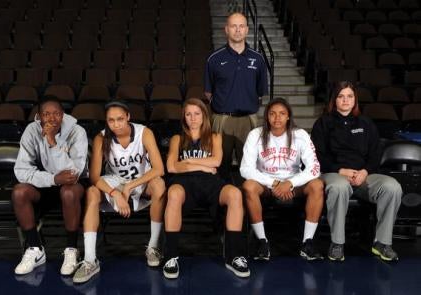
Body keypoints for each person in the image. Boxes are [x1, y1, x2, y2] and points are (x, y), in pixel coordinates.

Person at [73, 100, 165, 284]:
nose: (116, 124)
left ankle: (153, 247)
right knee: (91, 192)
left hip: (140, 180)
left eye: (120, 119)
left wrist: (130, 187)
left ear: (128, 117)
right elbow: (95, 178)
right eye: (111, 120)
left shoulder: (144, 133)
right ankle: (90, 260)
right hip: (114, 181)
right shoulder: (101, 138)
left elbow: (159, 169)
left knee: (160, 185)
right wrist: (115, 193)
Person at [311, 81, 402, 262]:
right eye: (341, 96)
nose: (345, 100)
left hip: (363, 175)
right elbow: (318, 156)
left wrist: (365, 172)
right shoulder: (323, 123)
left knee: (393, 187)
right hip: (334, 173)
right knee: (339, 187)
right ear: (334, 99)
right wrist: (341, 170)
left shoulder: (366, 123)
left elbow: (376, 153)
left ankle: (382, 243)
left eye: (350, 96)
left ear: (355, 100)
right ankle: (337, 243)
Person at [163, 98, 250, 279]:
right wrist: (202, 166)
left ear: (204, 116)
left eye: (197, 114)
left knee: (234, 194)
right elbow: (171, 167)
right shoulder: (177, 139)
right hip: (184, 183)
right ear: (183, 117)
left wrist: (186, 161)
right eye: (188, 114)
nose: (193, 118)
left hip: (210, 184)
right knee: (173, 193)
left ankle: (234, 256)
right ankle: (170, 256)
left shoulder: (215, 137)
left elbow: (216, 161)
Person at [12, 96, 88, 275]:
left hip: (74, 186)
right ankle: (35, 249)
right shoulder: (31, 131)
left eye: (56, 114)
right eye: (46, 114)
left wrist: (53, 142)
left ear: (63, 115)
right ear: (39, 117)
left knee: (68, 192)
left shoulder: (77, 132)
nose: (51, 118)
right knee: (19, 192)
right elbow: (21, 170)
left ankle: (71, 250)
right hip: (46, 182)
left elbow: (73, 174)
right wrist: (53, 179)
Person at [240, 98, 324, 261]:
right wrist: (274, 183)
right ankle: (262, 241)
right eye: (272, 114)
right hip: (266, 185)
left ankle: (307, 243)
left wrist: (290, 183)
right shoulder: (255, 135)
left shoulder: (300, 135)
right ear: (266, 117)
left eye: (282, 114)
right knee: (249, 186)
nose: (277, 118)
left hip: (294, 184)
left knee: (317, 185)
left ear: (288, 117)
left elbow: (315, 168)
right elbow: (245, 169)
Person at [204, 12, 268, 182]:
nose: (237, 30)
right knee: (219, 165)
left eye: (241, 26)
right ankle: (222, 204)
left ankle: (246, 204)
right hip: (222, 118)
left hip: (249, 120)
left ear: (247, 30)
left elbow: (261, 92)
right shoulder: (214, 59)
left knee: (249, 167)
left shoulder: (258, 59)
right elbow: (208, 92)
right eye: (233, 26)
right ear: (226, 29)